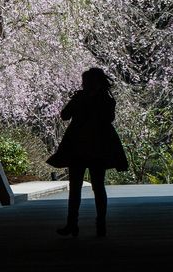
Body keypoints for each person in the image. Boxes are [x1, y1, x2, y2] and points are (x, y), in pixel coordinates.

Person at [47, 67, 127, 238]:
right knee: (97, 186)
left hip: (78, 145)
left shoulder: (82, 98)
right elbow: (108, 119)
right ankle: (99, 224)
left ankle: (72, 224)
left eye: (85, 82)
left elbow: (65, 115)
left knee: (76, 187)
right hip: (98, 146)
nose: (84, 85)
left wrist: (77, 102)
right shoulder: (106, 99)